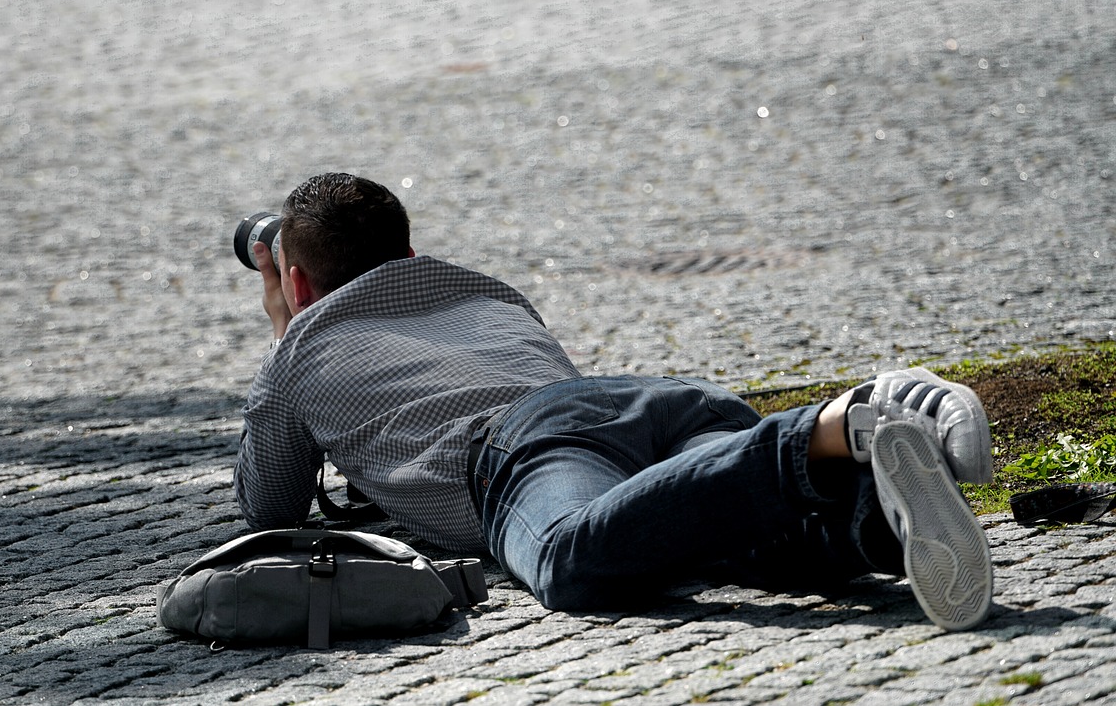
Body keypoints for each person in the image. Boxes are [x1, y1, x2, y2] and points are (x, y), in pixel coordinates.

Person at [234, 172, 994, 631]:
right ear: (405, 254)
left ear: (296, 284)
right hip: (650, 406)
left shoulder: (301, 350)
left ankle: (833, 423)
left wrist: (283, 333)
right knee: (718, 541)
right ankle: (880, 522)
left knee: (571, 560)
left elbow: (270, 509)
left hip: (525, 447)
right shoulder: (488, 291)